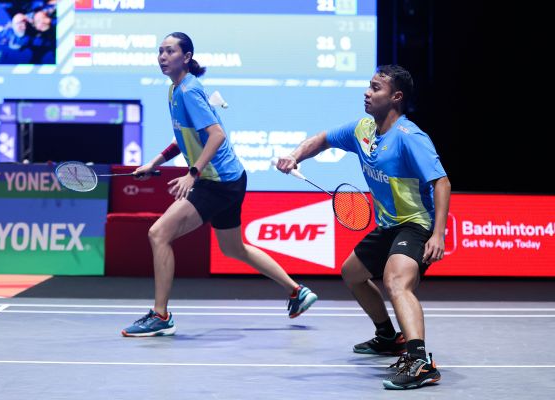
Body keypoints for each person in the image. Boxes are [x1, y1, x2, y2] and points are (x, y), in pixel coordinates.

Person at [121, 32, 318, 337]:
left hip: (217, 181)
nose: (162, 57)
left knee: (158, 234)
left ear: (186, 57)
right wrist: (156, 162)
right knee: (233, 248)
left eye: (170, 51)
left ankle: (161, 316)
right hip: (230, 179)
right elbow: (185, 136)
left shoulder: (188, 91)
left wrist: (193, 173)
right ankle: (297, 291)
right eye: (160, 51)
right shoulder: (175, 90)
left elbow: (216, 135)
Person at [276, 65, 450, 390]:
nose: (367, 93)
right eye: (369, 86)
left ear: (396, 97)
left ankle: (420, 362)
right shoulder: (363, 130)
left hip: (416, 223)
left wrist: (438, 234)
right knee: (352, 273)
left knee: (396, 281)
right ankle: (388, 337)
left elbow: (441, 182)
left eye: (376, 88)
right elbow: (322, 140)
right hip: (389, 225)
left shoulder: (409, 137)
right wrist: (295, 155)